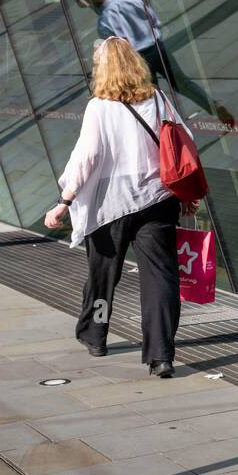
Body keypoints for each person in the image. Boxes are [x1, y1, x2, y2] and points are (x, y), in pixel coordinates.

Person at [45, 36, 187, 378]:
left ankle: (96, 336)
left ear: (102, 69)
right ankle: (161, 355)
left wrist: (64, 200)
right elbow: (183, 141)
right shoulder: (159, 99)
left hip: (112, 205)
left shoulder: (99, 106)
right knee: (160, 279)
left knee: (104, 274)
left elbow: (86, 157)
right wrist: (186, 191)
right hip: (158, 198)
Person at [93, 0, 235, 129]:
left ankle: (167, 129)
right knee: (183, 84)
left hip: (138, 60)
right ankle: (214, 106)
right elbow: (154, 20)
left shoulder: (104, 21)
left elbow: (118, 49)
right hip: (157, 48)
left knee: (151, 97)